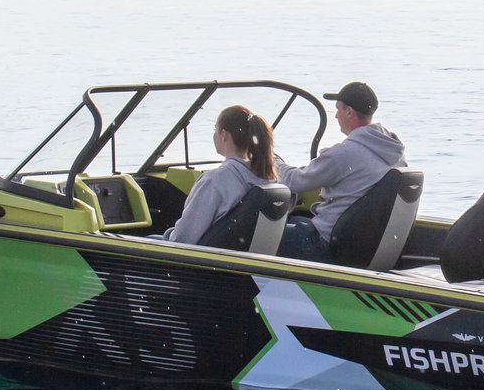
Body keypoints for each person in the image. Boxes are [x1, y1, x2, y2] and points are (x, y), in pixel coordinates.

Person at [274, 81, 407, 262]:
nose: (336, 116)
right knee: (297, 222)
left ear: (349, 112)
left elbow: (294, 181)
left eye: (338, 109)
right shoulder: (394, 151)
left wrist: (270, 159)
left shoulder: (344, 154)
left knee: (264, 232)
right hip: (363, 244)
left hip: (326, 245)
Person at [164, 105, 280, 245]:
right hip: (249, 255)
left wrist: (168, 234)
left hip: (205, 257)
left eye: (215, 129)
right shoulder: (269, 178)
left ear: (224, 134)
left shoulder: (214, 181)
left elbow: (182, 239)